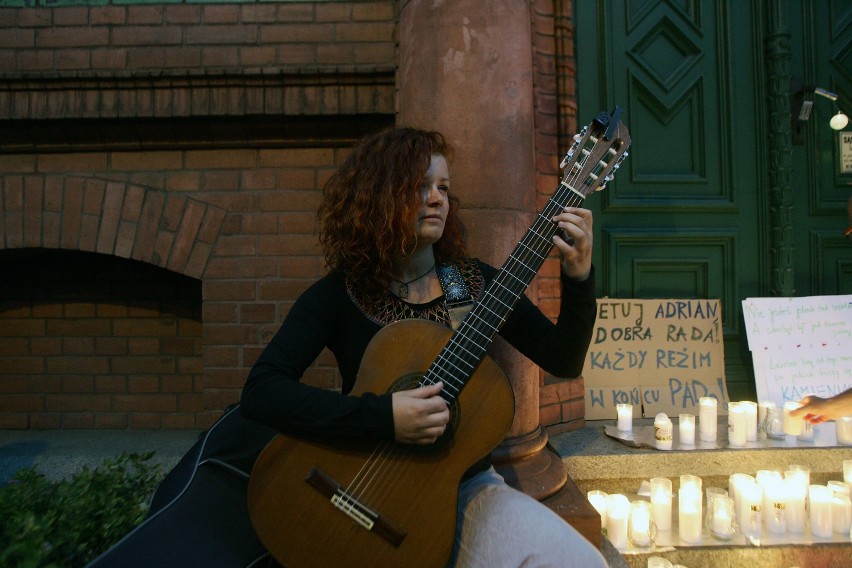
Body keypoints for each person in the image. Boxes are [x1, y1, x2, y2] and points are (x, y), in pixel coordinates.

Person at [89, 126, 607, 568]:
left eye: (445, 187)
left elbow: (562, 359)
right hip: (351, 472)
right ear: (380, 196)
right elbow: (263, 392)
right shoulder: (339, 295)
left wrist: (579, 278)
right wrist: (382, 417)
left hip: (461, 488)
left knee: (580, 561)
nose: (437, 198)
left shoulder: (476, 284)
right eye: (420, 185)